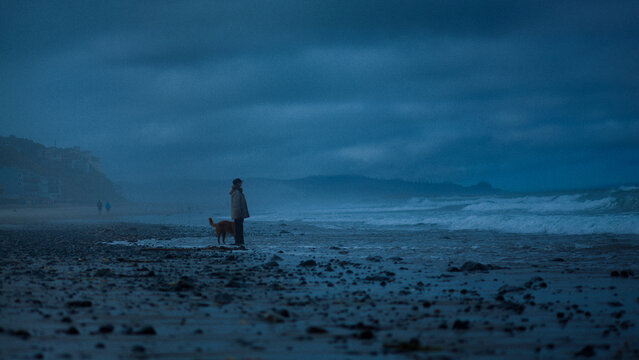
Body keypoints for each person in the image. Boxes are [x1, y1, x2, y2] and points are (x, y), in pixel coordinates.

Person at [230, 178, 249, 245]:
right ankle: (239, 242)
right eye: (240, 182)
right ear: (237, 183)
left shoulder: (237, 192)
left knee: (239, 228)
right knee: (238, 228)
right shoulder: (237, 192)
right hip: (238, 214)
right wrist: (239, 213)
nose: (241, 184)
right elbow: (236, 204)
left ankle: (239, 242)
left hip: (238, 213)